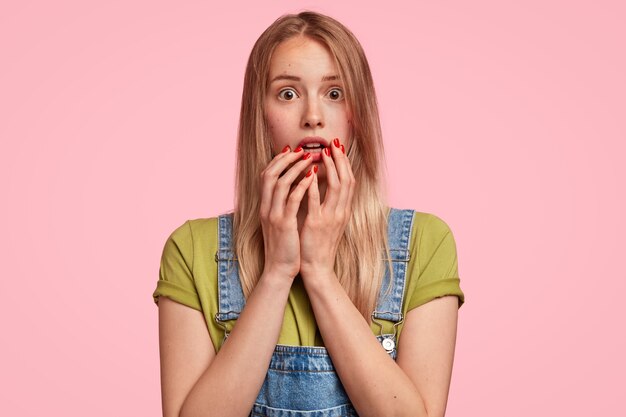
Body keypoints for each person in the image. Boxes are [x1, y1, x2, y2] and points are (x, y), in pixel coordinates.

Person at [152, 10, 465, 417]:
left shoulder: (425, 241)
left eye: (335, 93)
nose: (313, 116)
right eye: (288, 93)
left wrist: (319, 273)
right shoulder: (192, 249)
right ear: (259, 116)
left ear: (358, 115)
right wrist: (278, 271)